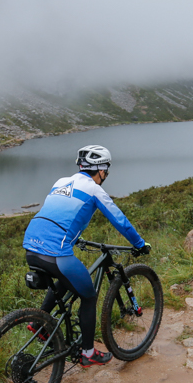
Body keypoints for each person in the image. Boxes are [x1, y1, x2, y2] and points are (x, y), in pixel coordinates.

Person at [22, 145, 149, 367]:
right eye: (106, 170)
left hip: (31, 247)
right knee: (89, 296)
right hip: (56, 254)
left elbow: (57, 215)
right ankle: (88, 353)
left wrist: (73, 238)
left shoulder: (60, 182)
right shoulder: (94, 189)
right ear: (99, 170)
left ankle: (39, 321)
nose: (106, 175)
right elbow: (119, 220)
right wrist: (139, 244)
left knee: (66, 279)